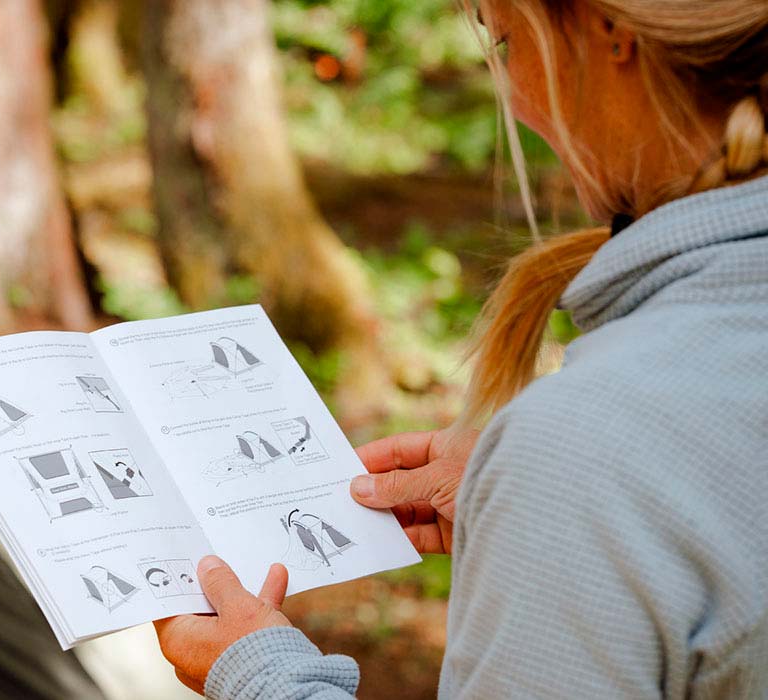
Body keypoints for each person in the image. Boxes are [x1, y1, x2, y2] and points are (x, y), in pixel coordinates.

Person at [155, 0, 768, 697]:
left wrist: (263, 677)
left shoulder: (588, 453)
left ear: (609, 34)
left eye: (507, 44)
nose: (517, 101)